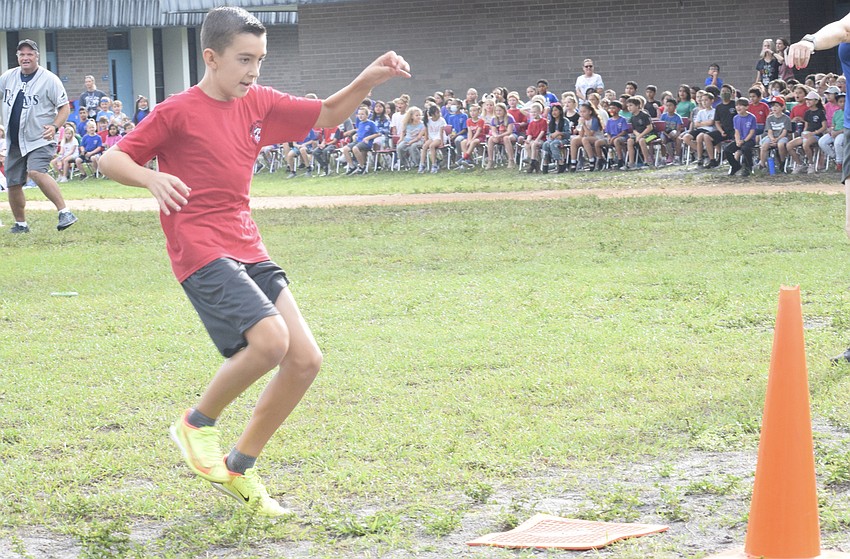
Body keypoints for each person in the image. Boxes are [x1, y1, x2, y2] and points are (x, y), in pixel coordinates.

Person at [97, 6, 410, 516]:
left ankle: (238, 468)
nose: (254, 71)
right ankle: (195, 424)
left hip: (247, 243)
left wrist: (369, 79)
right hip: (200, 247)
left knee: (305, 360)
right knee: (269, 341)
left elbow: (328, 113)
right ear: (211, 57)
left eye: (260, 60)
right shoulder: (177, 111)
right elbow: (112, 158)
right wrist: (150, 177)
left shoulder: (260, 102)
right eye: (244, 59)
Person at [0, 39, 78, 233]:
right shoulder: (8, 77)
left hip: (41, 138)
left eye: (30, 54)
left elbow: (64, 107)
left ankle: (65, 212)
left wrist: (55, 126)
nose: (25, 57)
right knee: (13, 183)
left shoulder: (49, 79)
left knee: (36, 172)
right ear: (17, 57)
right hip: (14, 140)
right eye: (22, 54)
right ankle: (21, 225)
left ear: (37, 56)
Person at [787, 90, 827, 174]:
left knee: (806, 144)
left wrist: (814, 133)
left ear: (816, 101)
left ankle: (811, 164)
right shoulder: (807, 112)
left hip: (816, 135)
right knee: (789, 145)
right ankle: (799, 164)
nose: (808, 101)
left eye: (810, 99)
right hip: (807, 134)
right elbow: (806, 126)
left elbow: (824, 127)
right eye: (807, 99)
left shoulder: (821, 112)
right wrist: (804, 132)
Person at [722, 98, 758, 177]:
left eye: (741, 105)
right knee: (727, 150)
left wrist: (744, 141)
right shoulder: (736, 118)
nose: (738, 107)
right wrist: (738, 140)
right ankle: (735, 166)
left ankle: (748, 167)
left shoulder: (752, 117)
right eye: (737, 105)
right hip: (739, 139)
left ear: (746, 107)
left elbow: (752, 132)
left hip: (749, 140)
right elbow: (737, 131)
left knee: (745, 148)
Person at [758, 96, 792, 172]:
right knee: (764, 145)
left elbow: (784, 132)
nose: (774, 108)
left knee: (780, 145)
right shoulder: (769, 118)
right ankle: (762, 164)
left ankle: (782, 162)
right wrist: (772, 139)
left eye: (776, 106)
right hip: (771, 136)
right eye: (772, 106)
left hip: (782, 136)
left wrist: (777, 139)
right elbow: (769, 131)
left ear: (782, 107)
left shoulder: (786, 118)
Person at [541, 102, 570, 173]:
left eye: (556, 110)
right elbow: (548, 133)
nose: (554, 112)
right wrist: (553, 135)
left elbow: (568, 133)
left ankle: (560, 162)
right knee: (546, 144)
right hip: (553, 139)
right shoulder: (551, 122)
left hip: (564, 140)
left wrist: (560, 133)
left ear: (560, 111)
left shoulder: (565, 121)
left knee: (554, 144)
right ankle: (545, 164)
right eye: (552, 111)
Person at [419, 103, 446, 173]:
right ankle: (422, 164)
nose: (439, 114)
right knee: (424, 146)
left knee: (431, 146)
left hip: (439, 138)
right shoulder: (428, 121)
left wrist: (442, 142)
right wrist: (426, 140)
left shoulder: (441, 120)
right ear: (433, 114)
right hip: (432, 138)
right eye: (437, 112)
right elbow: (426, 132)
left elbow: (441, 133)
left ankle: (434, 165)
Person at [522, 102, 547, 173]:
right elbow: (530, 134)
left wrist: (536, 140)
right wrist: (528, 140)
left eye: (535, 112)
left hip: (541, 139)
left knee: (534, 144)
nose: (533, 114)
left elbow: (542, 132)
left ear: (540, 112)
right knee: (527, 145)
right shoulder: (531, 123)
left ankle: (533, 162)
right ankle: (533, 162)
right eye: (532, 112)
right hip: (533, 139)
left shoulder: (543, 121)